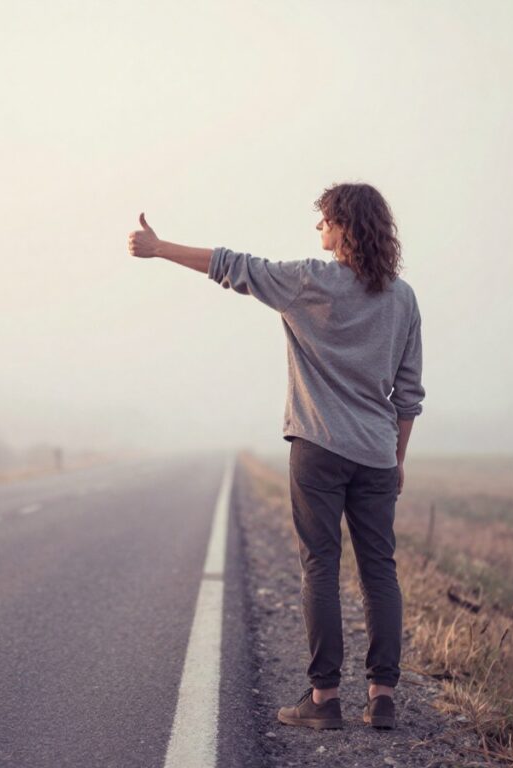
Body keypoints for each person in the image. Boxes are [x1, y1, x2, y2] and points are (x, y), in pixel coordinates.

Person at [127, 182, 424, 731]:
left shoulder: (309, 281)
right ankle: (382, 697)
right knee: (380, 569)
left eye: (324, 220)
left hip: (318, 447)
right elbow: (408, 394)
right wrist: (398, 456)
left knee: (321, 566)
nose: (318, 230)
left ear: (345, 227)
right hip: (378, 454)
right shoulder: (403, 299)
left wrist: (161, 248)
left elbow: (231, 265)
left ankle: (325, 699)